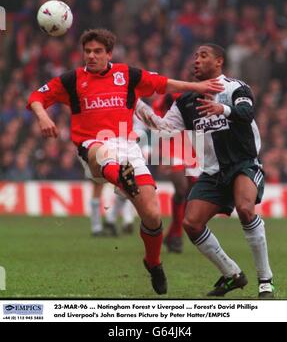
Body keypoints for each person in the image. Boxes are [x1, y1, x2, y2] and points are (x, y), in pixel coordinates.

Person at [27, 28, 223, 295]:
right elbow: (36, 97)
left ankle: (153, 263)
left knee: (152, 215)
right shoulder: (73, 80)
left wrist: (197, 86)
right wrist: (42, 116)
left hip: (128, 147)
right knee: (101, 153)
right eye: (87, 51)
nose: (92, 56)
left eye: (97, 51)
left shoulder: (127, 75)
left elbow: (163, 83)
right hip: (92, 146)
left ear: (109, 53)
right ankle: (122, 179)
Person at [140, 43, 274, 298]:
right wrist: (135, 104)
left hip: (244, 162)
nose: (197, 60)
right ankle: (232, 274)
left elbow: (246, 112)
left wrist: (222, 109)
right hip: (213, 171)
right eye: (195, 56)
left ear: (219, 62)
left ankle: (265, 279)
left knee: (246, 209)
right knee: (191, 223)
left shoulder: (236, 87)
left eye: (203, 56)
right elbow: (162, 128)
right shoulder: (186, 101)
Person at [152, 93, 198, 253]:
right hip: (172, 147)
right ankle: (177, 235)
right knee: (181, 189)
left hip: (193, 146)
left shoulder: (202, 93)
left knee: (190, 193)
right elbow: (158, 126)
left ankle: (172, 234)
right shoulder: (165, 99)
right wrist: (161, 156)